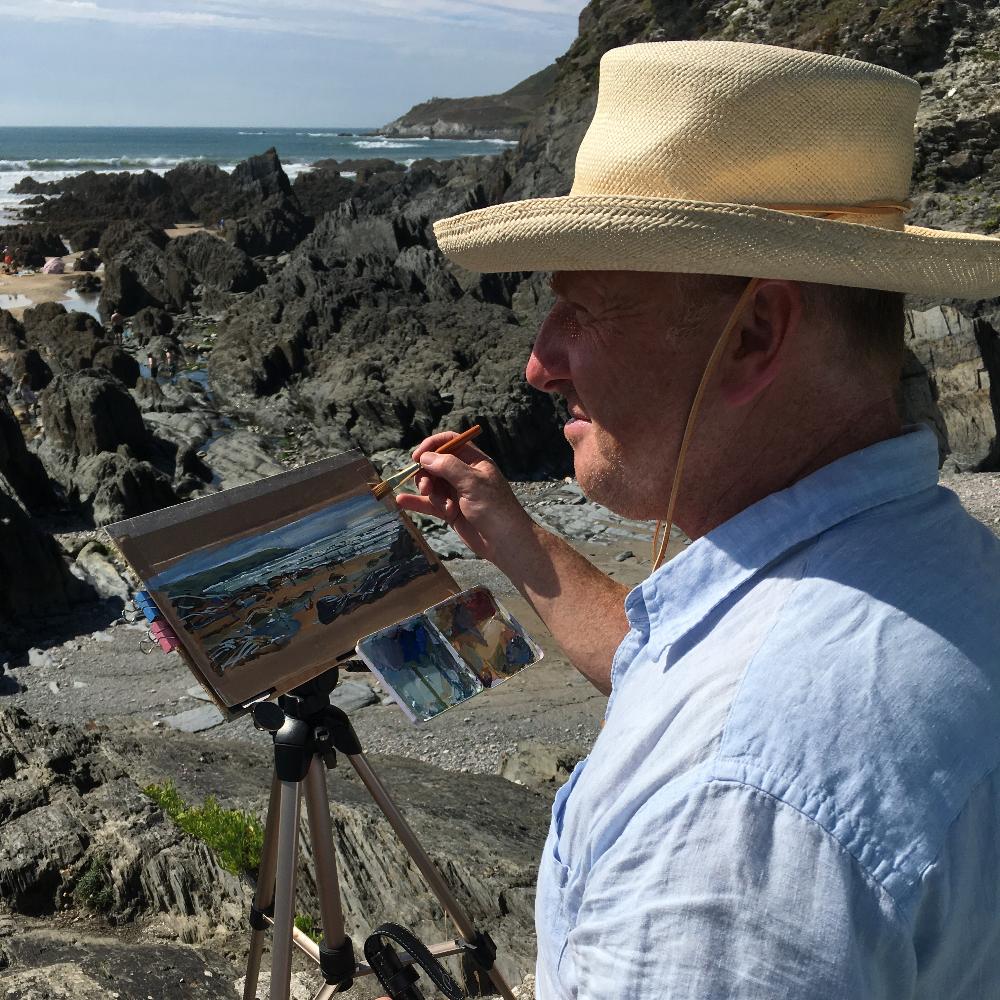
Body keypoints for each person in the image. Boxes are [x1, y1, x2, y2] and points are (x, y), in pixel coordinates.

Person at [387, 41, 1000, 1000]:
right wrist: (511, 532)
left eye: (582, 310)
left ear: (754, 334)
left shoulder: (731, 822)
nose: (538, 365)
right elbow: (668, 663)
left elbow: (736, 730)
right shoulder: (935, 564)